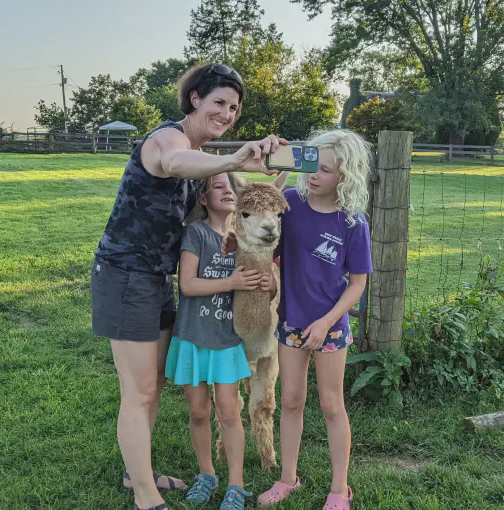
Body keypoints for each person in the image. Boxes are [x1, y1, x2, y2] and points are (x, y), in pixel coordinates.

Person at [90, 62, 285, 510]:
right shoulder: (167, 138)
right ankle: (145, 496)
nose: (227, 113)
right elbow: (176, 161)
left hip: (155, 277)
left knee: (153, 383)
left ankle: (134, 469)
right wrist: (233, 158)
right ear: (194, 98)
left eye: (234, 108)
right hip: (125, 274)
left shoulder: (202, 154)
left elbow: (215, 192)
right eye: (219, 102)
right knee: (138, 391)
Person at [256, 130, 373, 510]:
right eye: (311, 165)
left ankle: (340, 488)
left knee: (331, 405)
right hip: (290, 322)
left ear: (345, 176)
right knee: (290, 400)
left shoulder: (353, 223)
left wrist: (325, 323)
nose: (314, 175)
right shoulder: (289, 203)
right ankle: (288, 477)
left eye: (324, 169)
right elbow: (262, 227)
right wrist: (282, 160)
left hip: (330, 328)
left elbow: (358, 285)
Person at [165, 173, 274, 510]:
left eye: (231, 188)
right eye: (218, 187)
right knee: (199, 412)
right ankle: (207, 474)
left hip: (227, 340)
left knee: (229, 413)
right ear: (203, 199)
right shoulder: (196, 234)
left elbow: (266, 284)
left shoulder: (247, 236)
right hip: (194, 338)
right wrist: (230, 282)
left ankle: (236, 485)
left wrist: (268, 286)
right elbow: (187, 285)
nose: (228, 191)